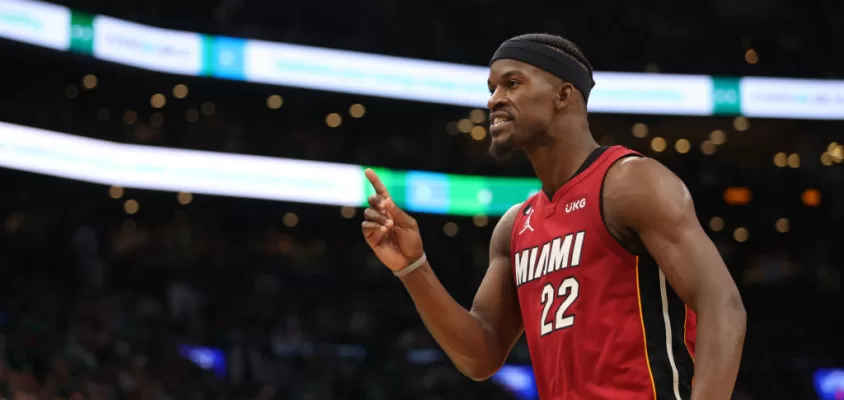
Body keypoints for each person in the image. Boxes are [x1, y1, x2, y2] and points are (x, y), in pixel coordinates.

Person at [361, 33, 746, 400]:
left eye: (512, 83)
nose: (494, 100)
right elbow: (480, 355)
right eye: (492, 88)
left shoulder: (631, 183)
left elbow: (722, 305)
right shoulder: (516, 225)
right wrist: (414, 267)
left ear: (564, 95)